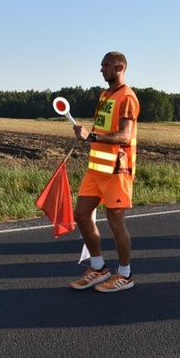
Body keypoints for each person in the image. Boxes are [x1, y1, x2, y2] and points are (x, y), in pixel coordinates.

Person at [69, 52, 140, 292]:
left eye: (105, 65)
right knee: (81, 214)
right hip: (96, 169)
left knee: (115, 222)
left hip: (116, 170)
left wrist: (92, 136)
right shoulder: (105, 95)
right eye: (101, 65)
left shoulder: (127, 97)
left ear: (119, 67)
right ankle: (99, 268)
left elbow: (124, 136)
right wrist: (86, 135)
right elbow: (103, 129)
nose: (101, 69)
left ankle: (125, 275)